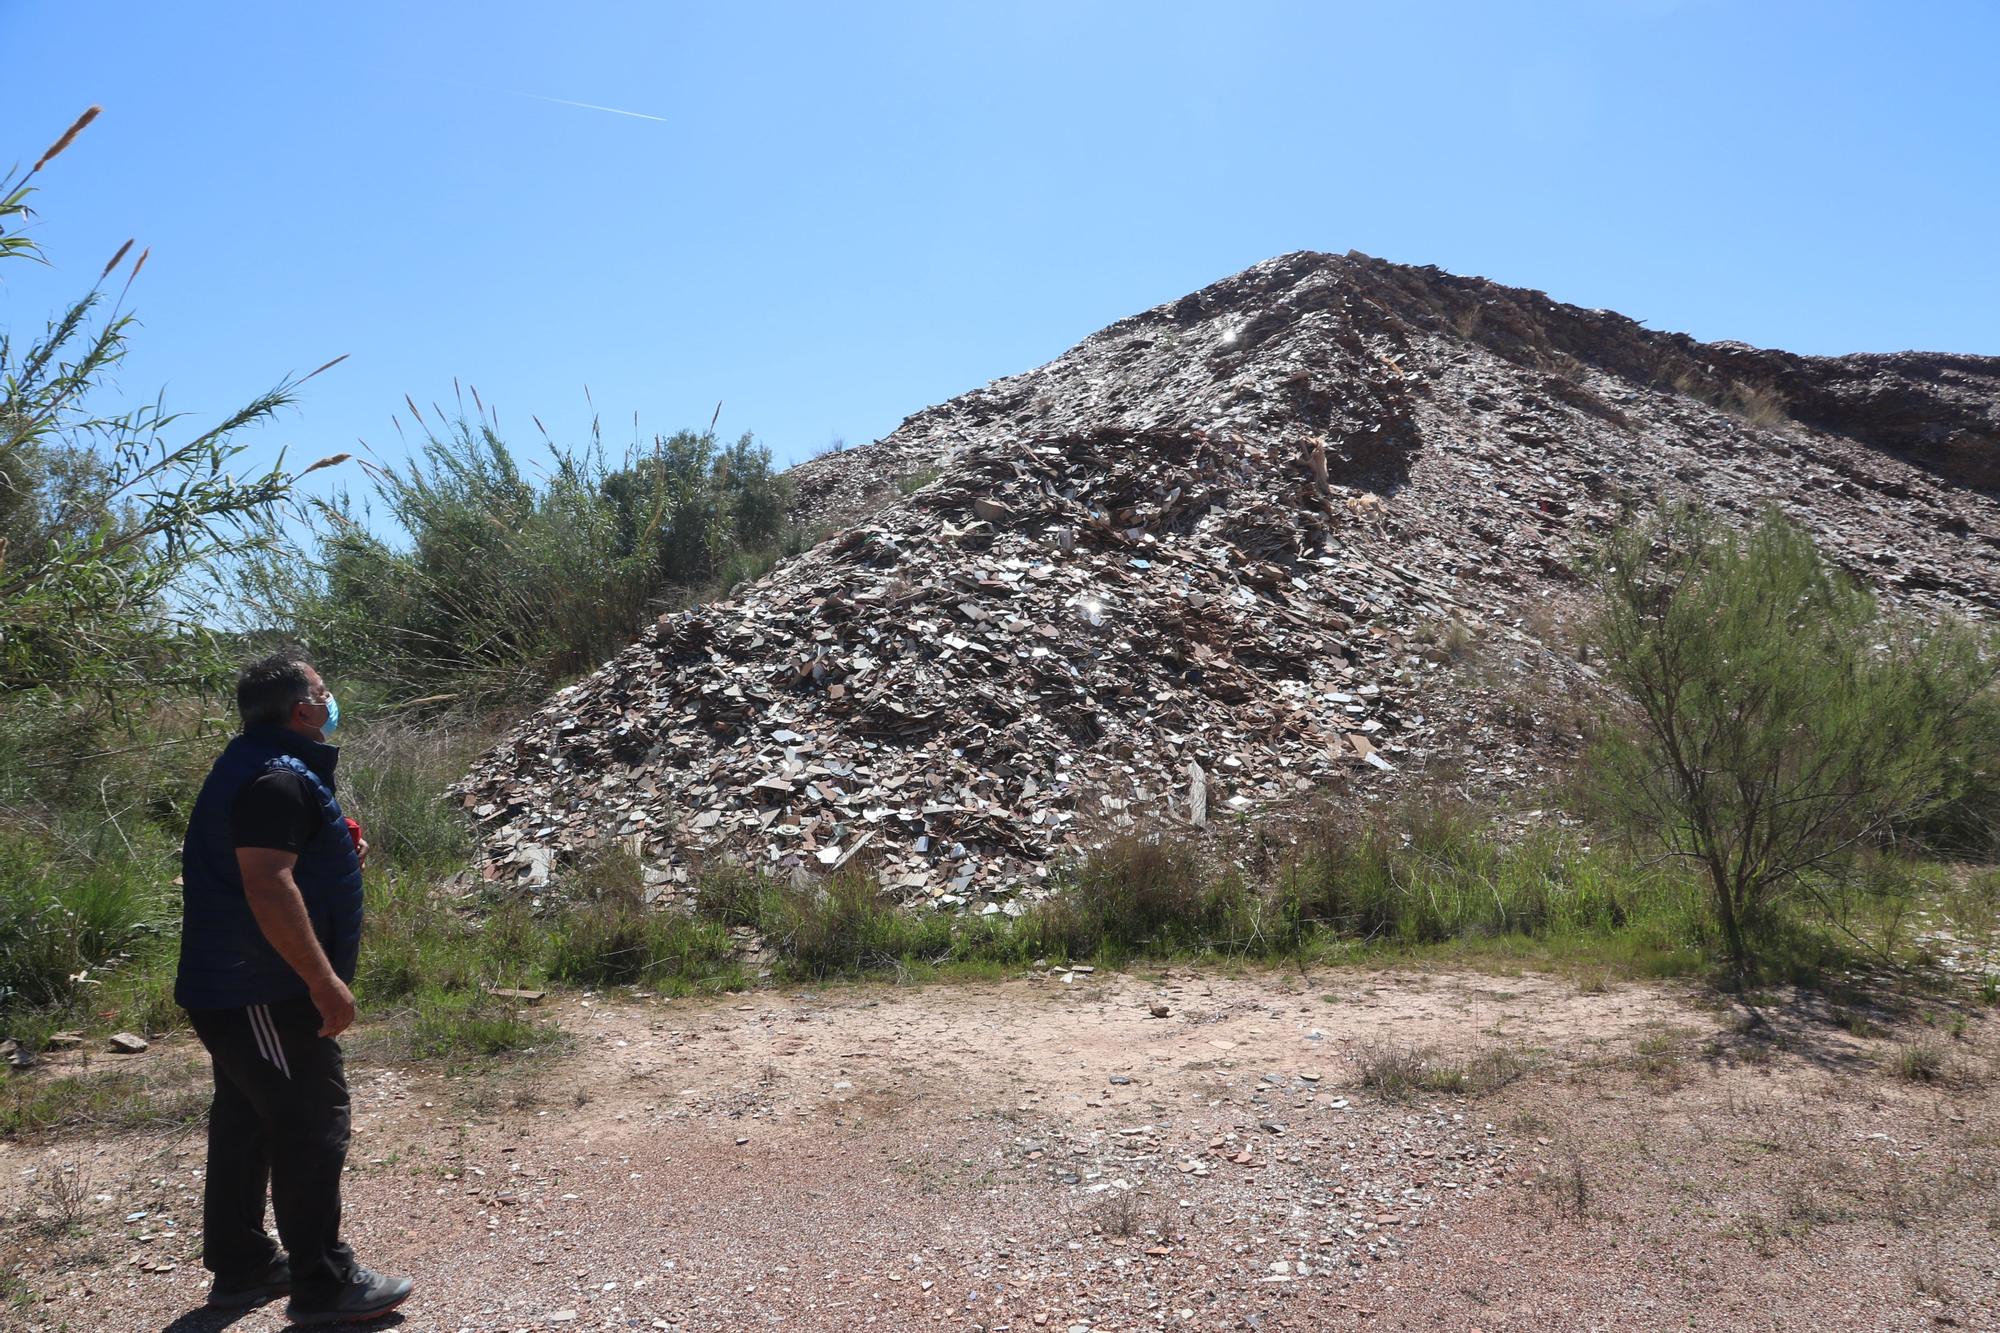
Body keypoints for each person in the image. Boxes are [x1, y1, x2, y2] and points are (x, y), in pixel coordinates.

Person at [174, 653, 413, 1324]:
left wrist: (335, 847)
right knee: (311, 1122)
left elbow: (276, 864)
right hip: (263, 991)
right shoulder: (277, 777)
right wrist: (324, 980)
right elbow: (266, 883)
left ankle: (245, 1264)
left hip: (239, 989)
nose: (330, 700)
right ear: (302, 711)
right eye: (322, 691)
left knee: (248, 1120)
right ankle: (324, 1283)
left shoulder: (260, 766)